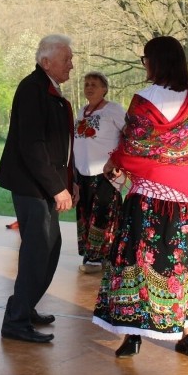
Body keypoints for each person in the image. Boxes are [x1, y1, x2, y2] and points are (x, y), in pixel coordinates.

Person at [93, 36, 188, 359]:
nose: (145, 65)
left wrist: (114, 167)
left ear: (156, 62)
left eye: (145, 59)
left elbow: (132, 146)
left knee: (138, 265)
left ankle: (133, 336)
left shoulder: (143, 100)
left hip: (149, 199)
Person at [0, 34, 76, 344]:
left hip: (46, 185)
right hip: (33, 186)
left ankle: (24, 307)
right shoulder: (32, 89)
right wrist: (58, 188)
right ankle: (16, 320)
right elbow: (33, 145)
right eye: (66, 59)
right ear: (46, 62)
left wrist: (69, 184)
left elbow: (60, 146)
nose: (71, 64)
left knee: (48, 250)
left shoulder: (49, 89)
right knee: (37, 253)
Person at [73, 71, 126, 273]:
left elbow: (129, 134)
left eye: (94, 84)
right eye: (86, 84)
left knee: (104, 213)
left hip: (105, 173)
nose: (89, 87)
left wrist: (117, 160)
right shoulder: (81, 111)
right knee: (86, 212)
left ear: (104, 88)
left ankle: (104, 256)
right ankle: (91, 254)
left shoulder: (113, 110)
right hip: (83, 173)